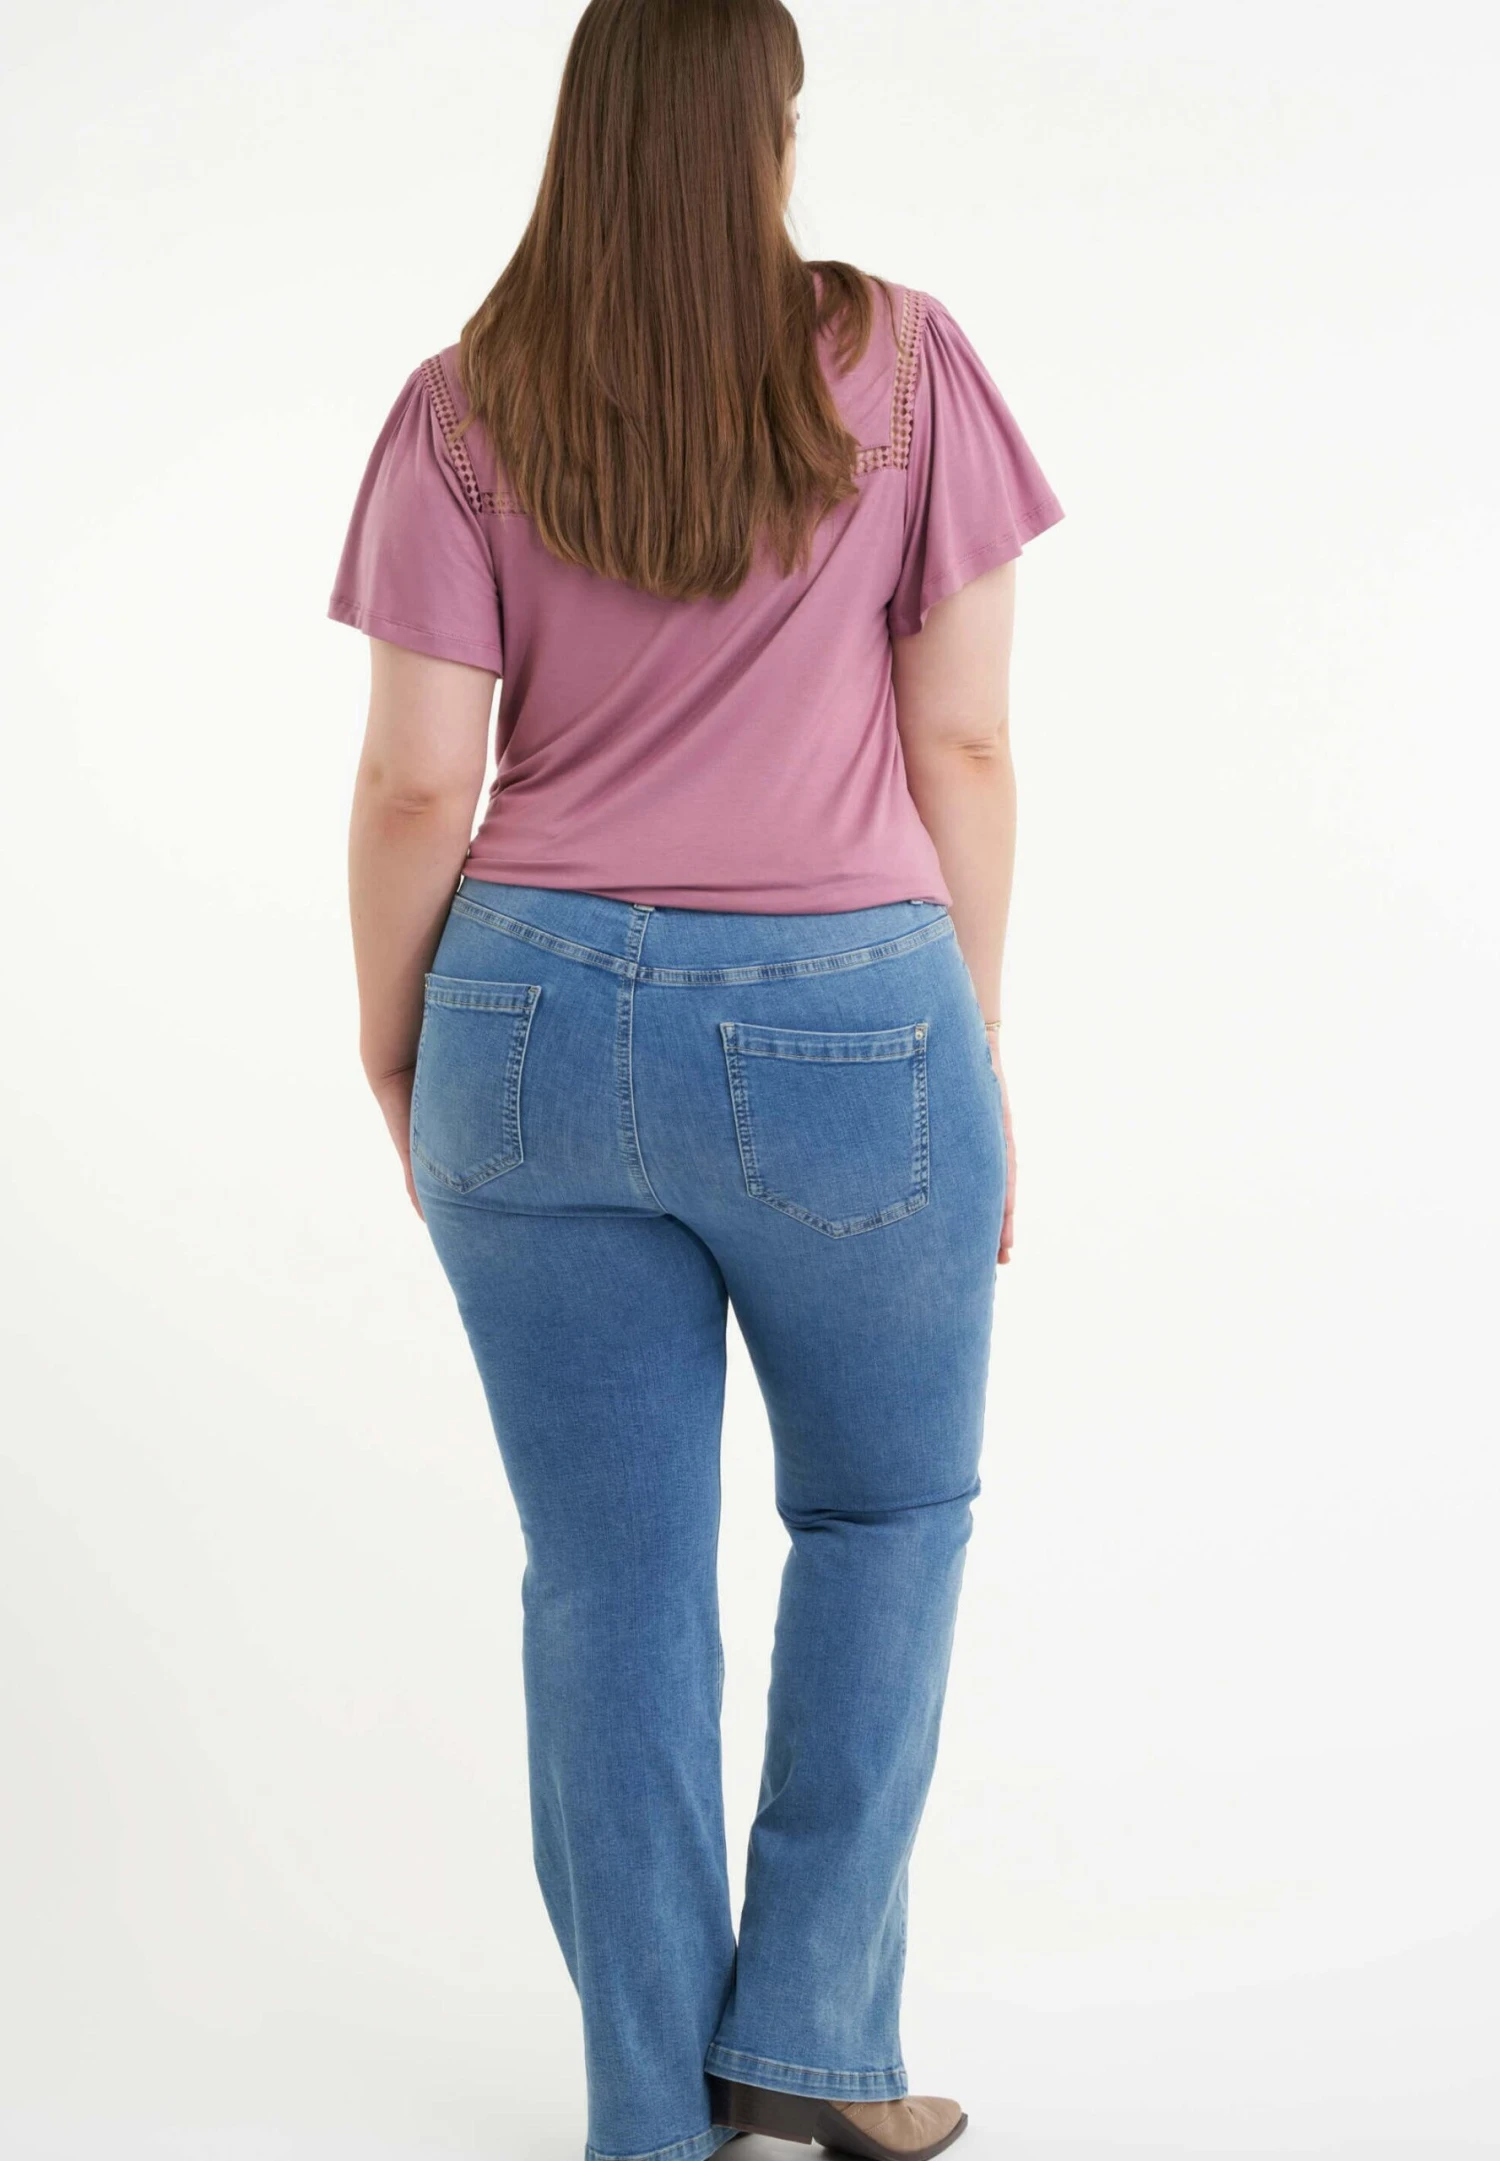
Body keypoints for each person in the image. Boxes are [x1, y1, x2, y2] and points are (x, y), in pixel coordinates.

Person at [326, 3, 1064, 2155]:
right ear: (775, 130)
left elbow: (413, 784)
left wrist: (398, 1036)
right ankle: (810, 2048)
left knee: (609, 1581)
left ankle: (650, 2112)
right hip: (852, 1014)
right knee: (886, 1513)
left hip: (526, 1022)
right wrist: (973, 1042)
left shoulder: (467, 401)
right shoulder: (902, 365)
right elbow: (964, 740)